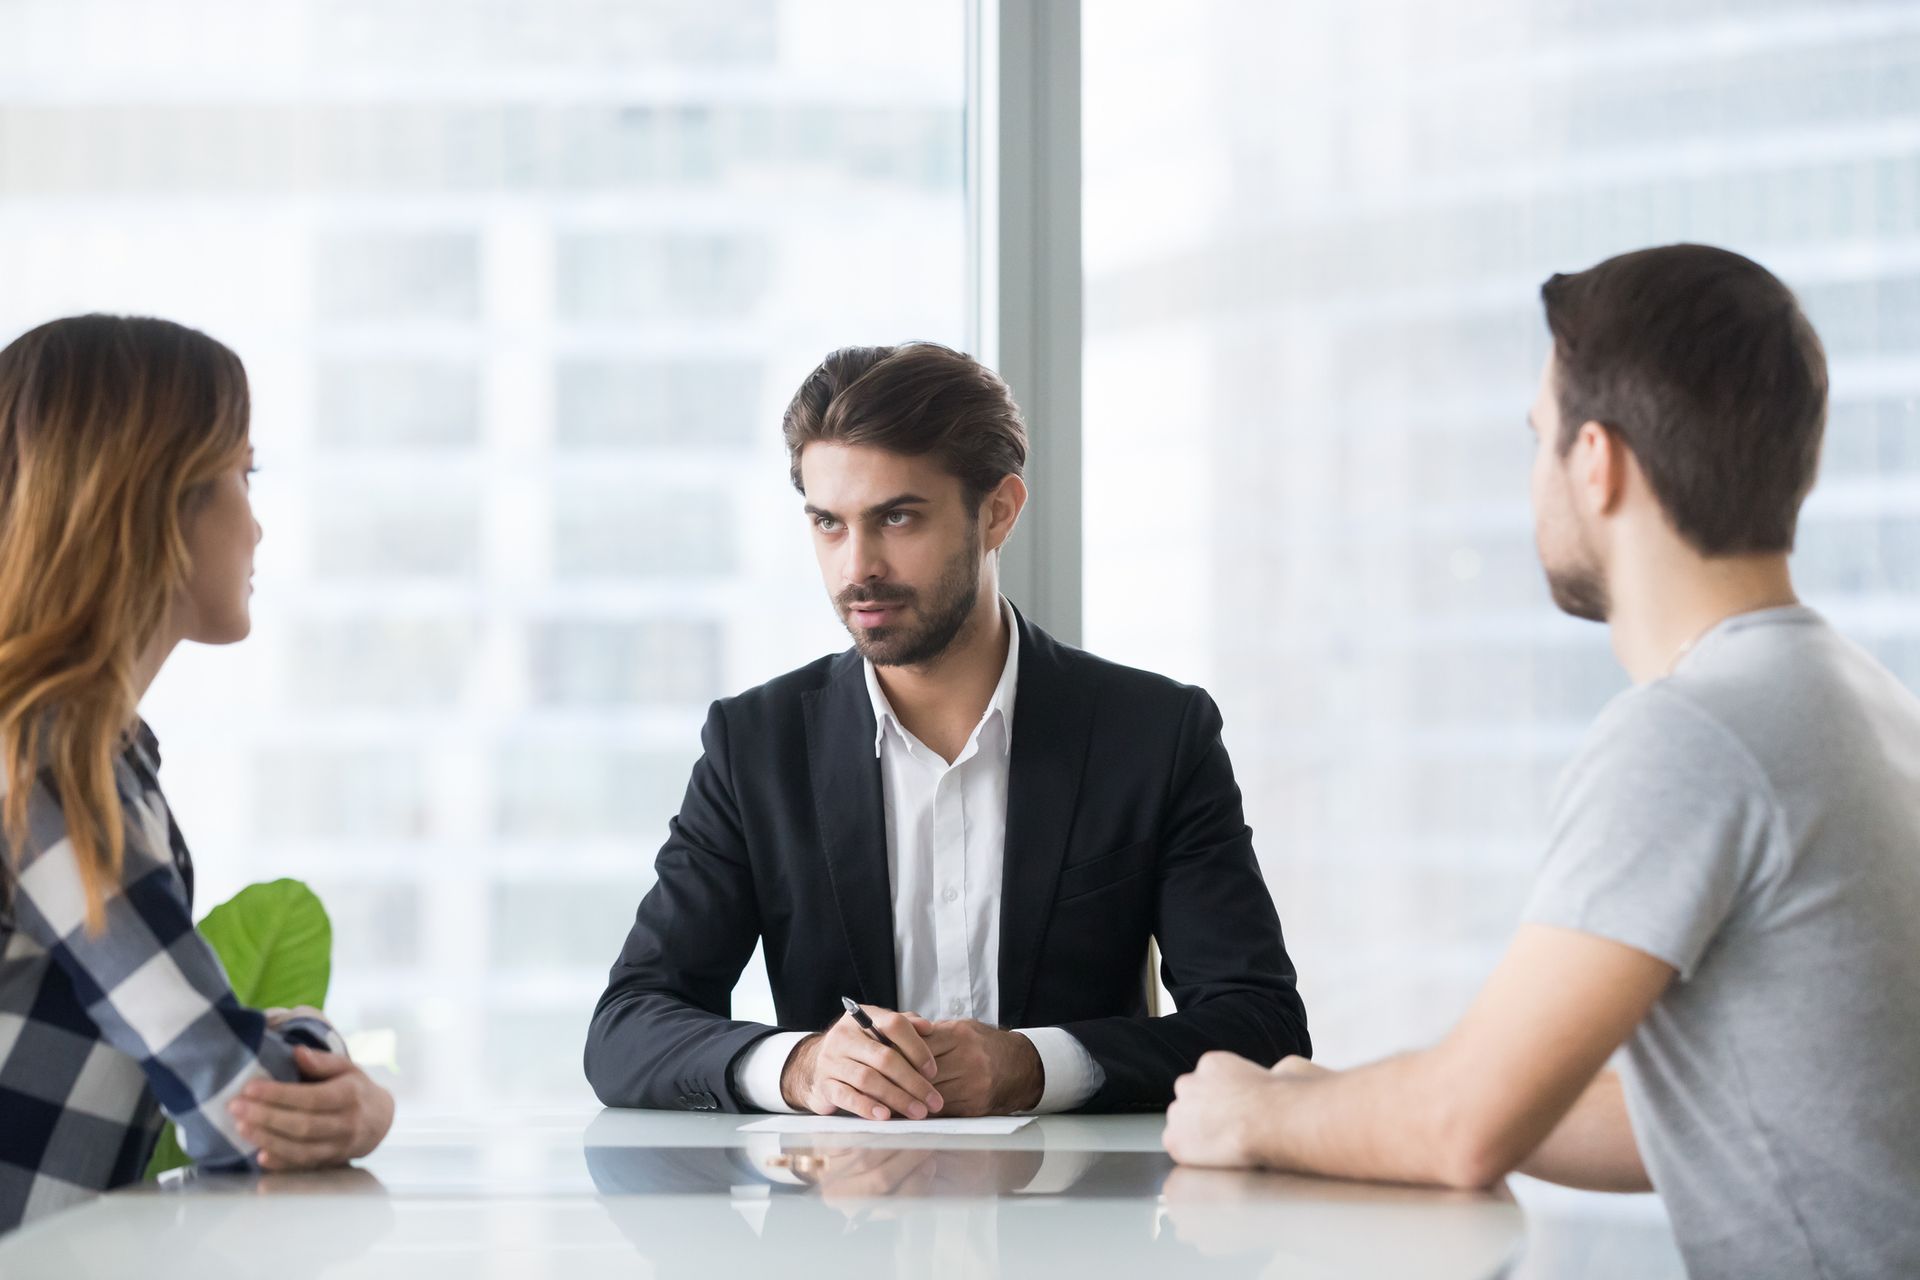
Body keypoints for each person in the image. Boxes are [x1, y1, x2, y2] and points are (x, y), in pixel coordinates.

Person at [1162, 244, 1920, 1279]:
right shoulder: (1853, 698)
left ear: (1597, 460)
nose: (1534, 476)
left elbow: (1462, 1126)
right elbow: (1705, 1115)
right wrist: (1326, 1105)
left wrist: (1253, 1111)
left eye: (1538, 439)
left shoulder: (1696, 734)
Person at [585, 342, 1308, 1119]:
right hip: (833, 1232)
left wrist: (1034, 1065)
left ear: (997, 511)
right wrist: (801, 1068)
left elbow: (1260, 1027)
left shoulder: (1155, 735)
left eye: (897, 518)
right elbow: (628, 1026)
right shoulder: (755, 747)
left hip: (1088, 1229)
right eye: (828, 524)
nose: (856, 567)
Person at [0, 315, 394, 1232]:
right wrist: (334, 1064)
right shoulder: (48, 758)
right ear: (151, 500)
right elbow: (238, 1105)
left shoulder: (84, 748)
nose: (255, 526)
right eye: (240, 476)